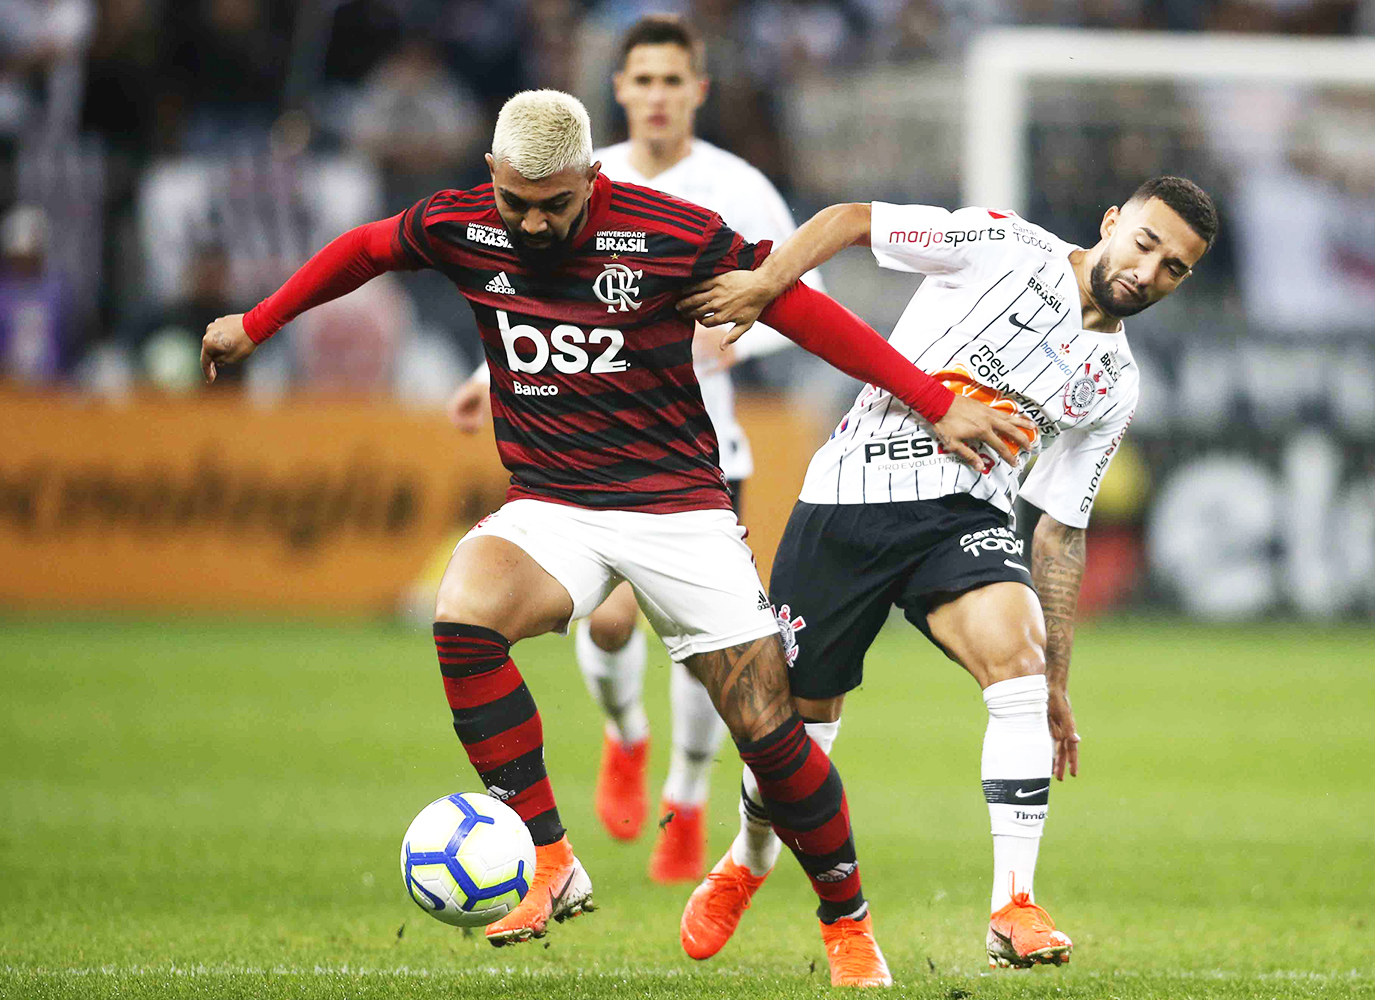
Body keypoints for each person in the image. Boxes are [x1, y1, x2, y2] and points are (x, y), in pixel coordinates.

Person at [199, 89, 1035, 986]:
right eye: (515, 202)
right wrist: (258, 322)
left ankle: (847, 922)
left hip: (677, 511)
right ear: (492, 176)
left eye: (554, 204)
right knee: (463, 613)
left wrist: (934, 401)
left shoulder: (668, 234)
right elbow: (364, 249)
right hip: (552, 502)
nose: (531, 222)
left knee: (768, 730)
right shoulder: (460, 224)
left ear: (591, 178)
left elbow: (797, 312)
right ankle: (550, 857)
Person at [674, 176, 1218, 970]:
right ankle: (749, 859)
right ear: (1111, 222)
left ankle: (1014, 907)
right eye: (1144, 242)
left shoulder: (1115, 384)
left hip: (961, 523)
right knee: (798, 735)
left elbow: (1061, 532)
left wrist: (1059, 678)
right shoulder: (1005, 245)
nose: (1148, 271)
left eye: (1174, 267)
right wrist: (767, 282)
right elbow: (850, 220)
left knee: (1020, 674)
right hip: (848, 501)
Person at [445, 14, 824, 885]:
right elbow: (538, 291)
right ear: (619, 89)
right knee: (608, 621)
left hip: (698, 446)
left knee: (705, 652)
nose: (656, 95)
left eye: (672, 81)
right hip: (589, 444)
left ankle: (687, 799)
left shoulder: (740, 187)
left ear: (699, 90)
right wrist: (482, 368)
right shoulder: (578, 173)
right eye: (641, 80)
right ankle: (624, 737)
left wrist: (741, 338)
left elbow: (795, 297)